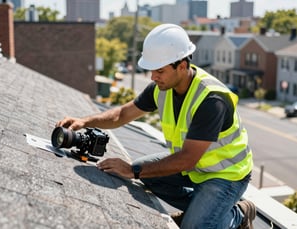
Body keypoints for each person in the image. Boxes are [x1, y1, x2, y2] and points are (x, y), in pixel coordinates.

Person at [56, 23, 256, 229]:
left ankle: (238, 213)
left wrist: (132, 171)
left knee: (193, 226)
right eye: (152, 71)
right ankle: (203, 210)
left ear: (182, 65)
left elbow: (187, 159)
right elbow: (122, 114)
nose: (153, 77)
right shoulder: (161, 88)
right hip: (194, 167)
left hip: (226, 175)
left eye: (159, 70)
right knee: (148, 176)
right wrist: (85, 121)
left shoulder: (212, 100)